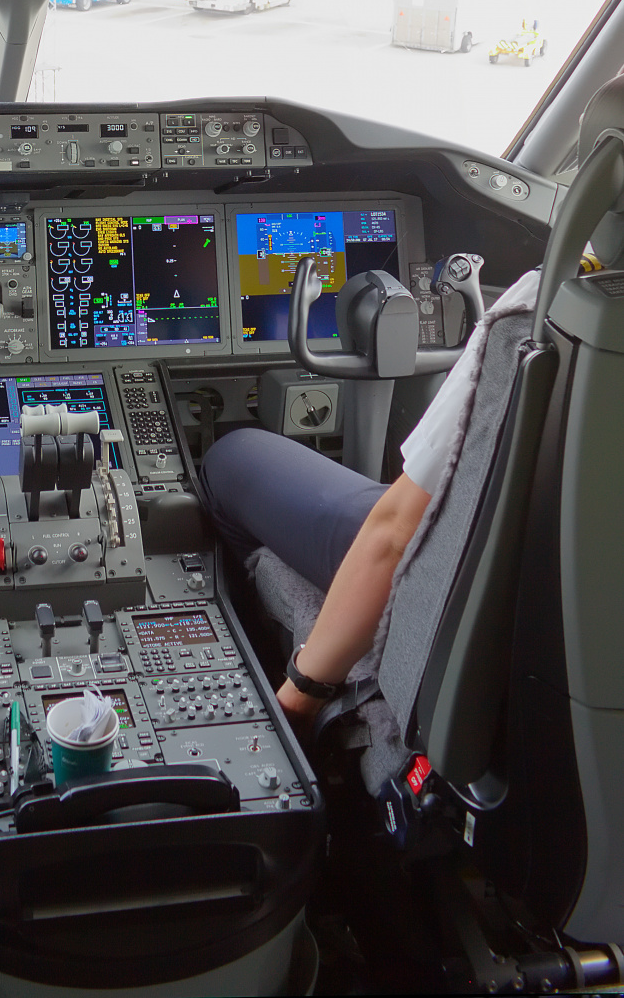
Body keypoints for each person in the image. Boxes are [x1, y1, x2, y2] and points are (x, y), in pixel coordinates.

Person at [200, 270, 540, 731]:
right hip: (542, 582)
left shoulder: (534, 306)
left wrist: (302, 690)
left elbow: (397, 533)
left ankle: (275, 632)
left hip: (458, 560)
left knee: (231, 456)